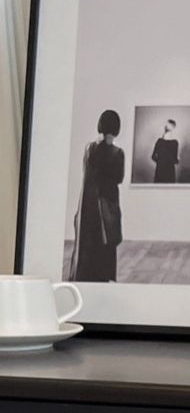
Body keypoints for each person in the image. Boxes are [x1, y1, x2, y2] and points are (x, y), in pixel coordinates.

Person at [69, 109, 125, 283]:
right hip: (107, 207)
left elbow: (88, 175)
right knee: (106, 246)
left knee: (89, 248)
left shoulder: (89, 149)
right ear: (116, 128)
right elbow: (119, 178)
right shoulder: (118, 153)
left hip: (88, 207)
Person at [151, 118, 179, 183]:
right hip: (169, 172)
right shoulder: (175, 143)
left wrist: (160, 161)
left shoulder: (159, 141)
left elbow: (153, 157)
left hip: (160, 170)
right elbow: (175, 161)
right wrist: (177, 159)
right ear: (173, 128)